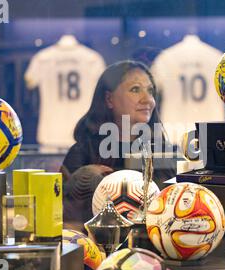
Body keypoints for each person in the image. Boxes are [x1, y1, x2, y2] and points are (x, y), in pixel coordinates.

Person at [61, 60, 175, 228]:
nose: (148, 100)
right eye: (135, 89)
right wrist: (83, 180)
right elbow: (67, 219)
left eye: (150, 91)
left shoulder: (161, 152)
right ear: (109, 99)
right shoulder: (82, 152)